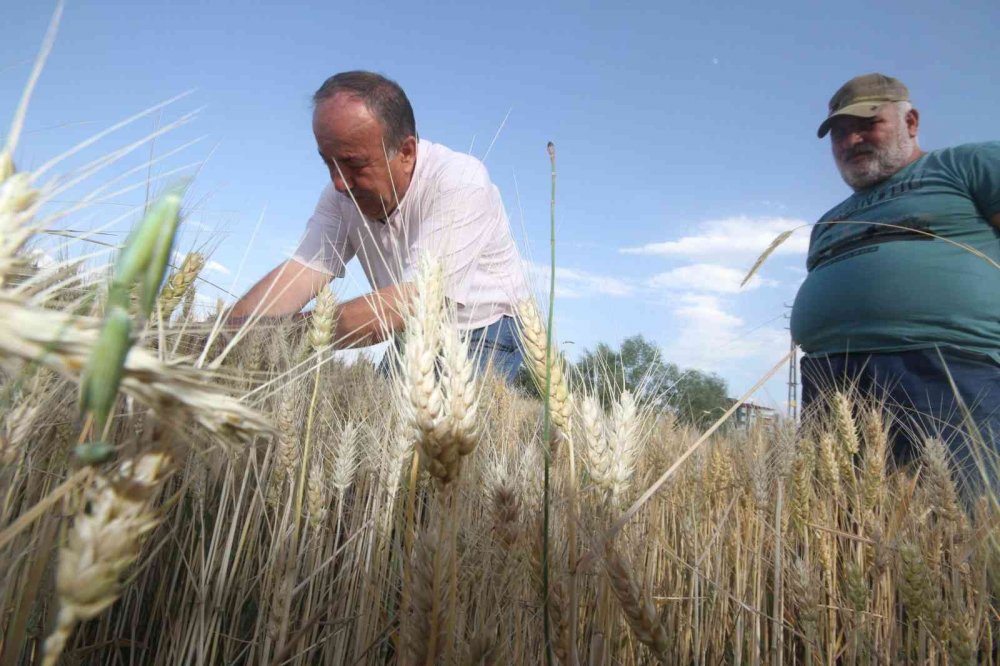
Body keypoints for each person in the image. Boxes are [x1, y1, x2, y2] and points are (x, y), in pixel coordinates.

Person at [228, 71, 529, 382]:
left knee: (426, 415)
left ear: (406, 153)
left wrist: (277, 336)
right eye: (328, 162)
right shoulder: (338, 196)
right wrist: (223, 334)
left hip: (484, 328)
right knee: (377, 406)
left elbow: (417, 299)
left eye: (354, 164)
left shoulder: (460, 181)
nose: (338, 182)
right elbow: (302, 271)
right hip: (409, 323)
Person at [790, 73, 1000, 490]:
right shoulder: (830, 220)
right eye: (840, 133)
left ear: (911, 122)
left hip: (946, 369)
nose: (852, 140)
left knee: (953, 518)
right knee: (833, 521)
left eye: (868, 124)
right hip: (829, 381)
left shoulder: (967, 164)